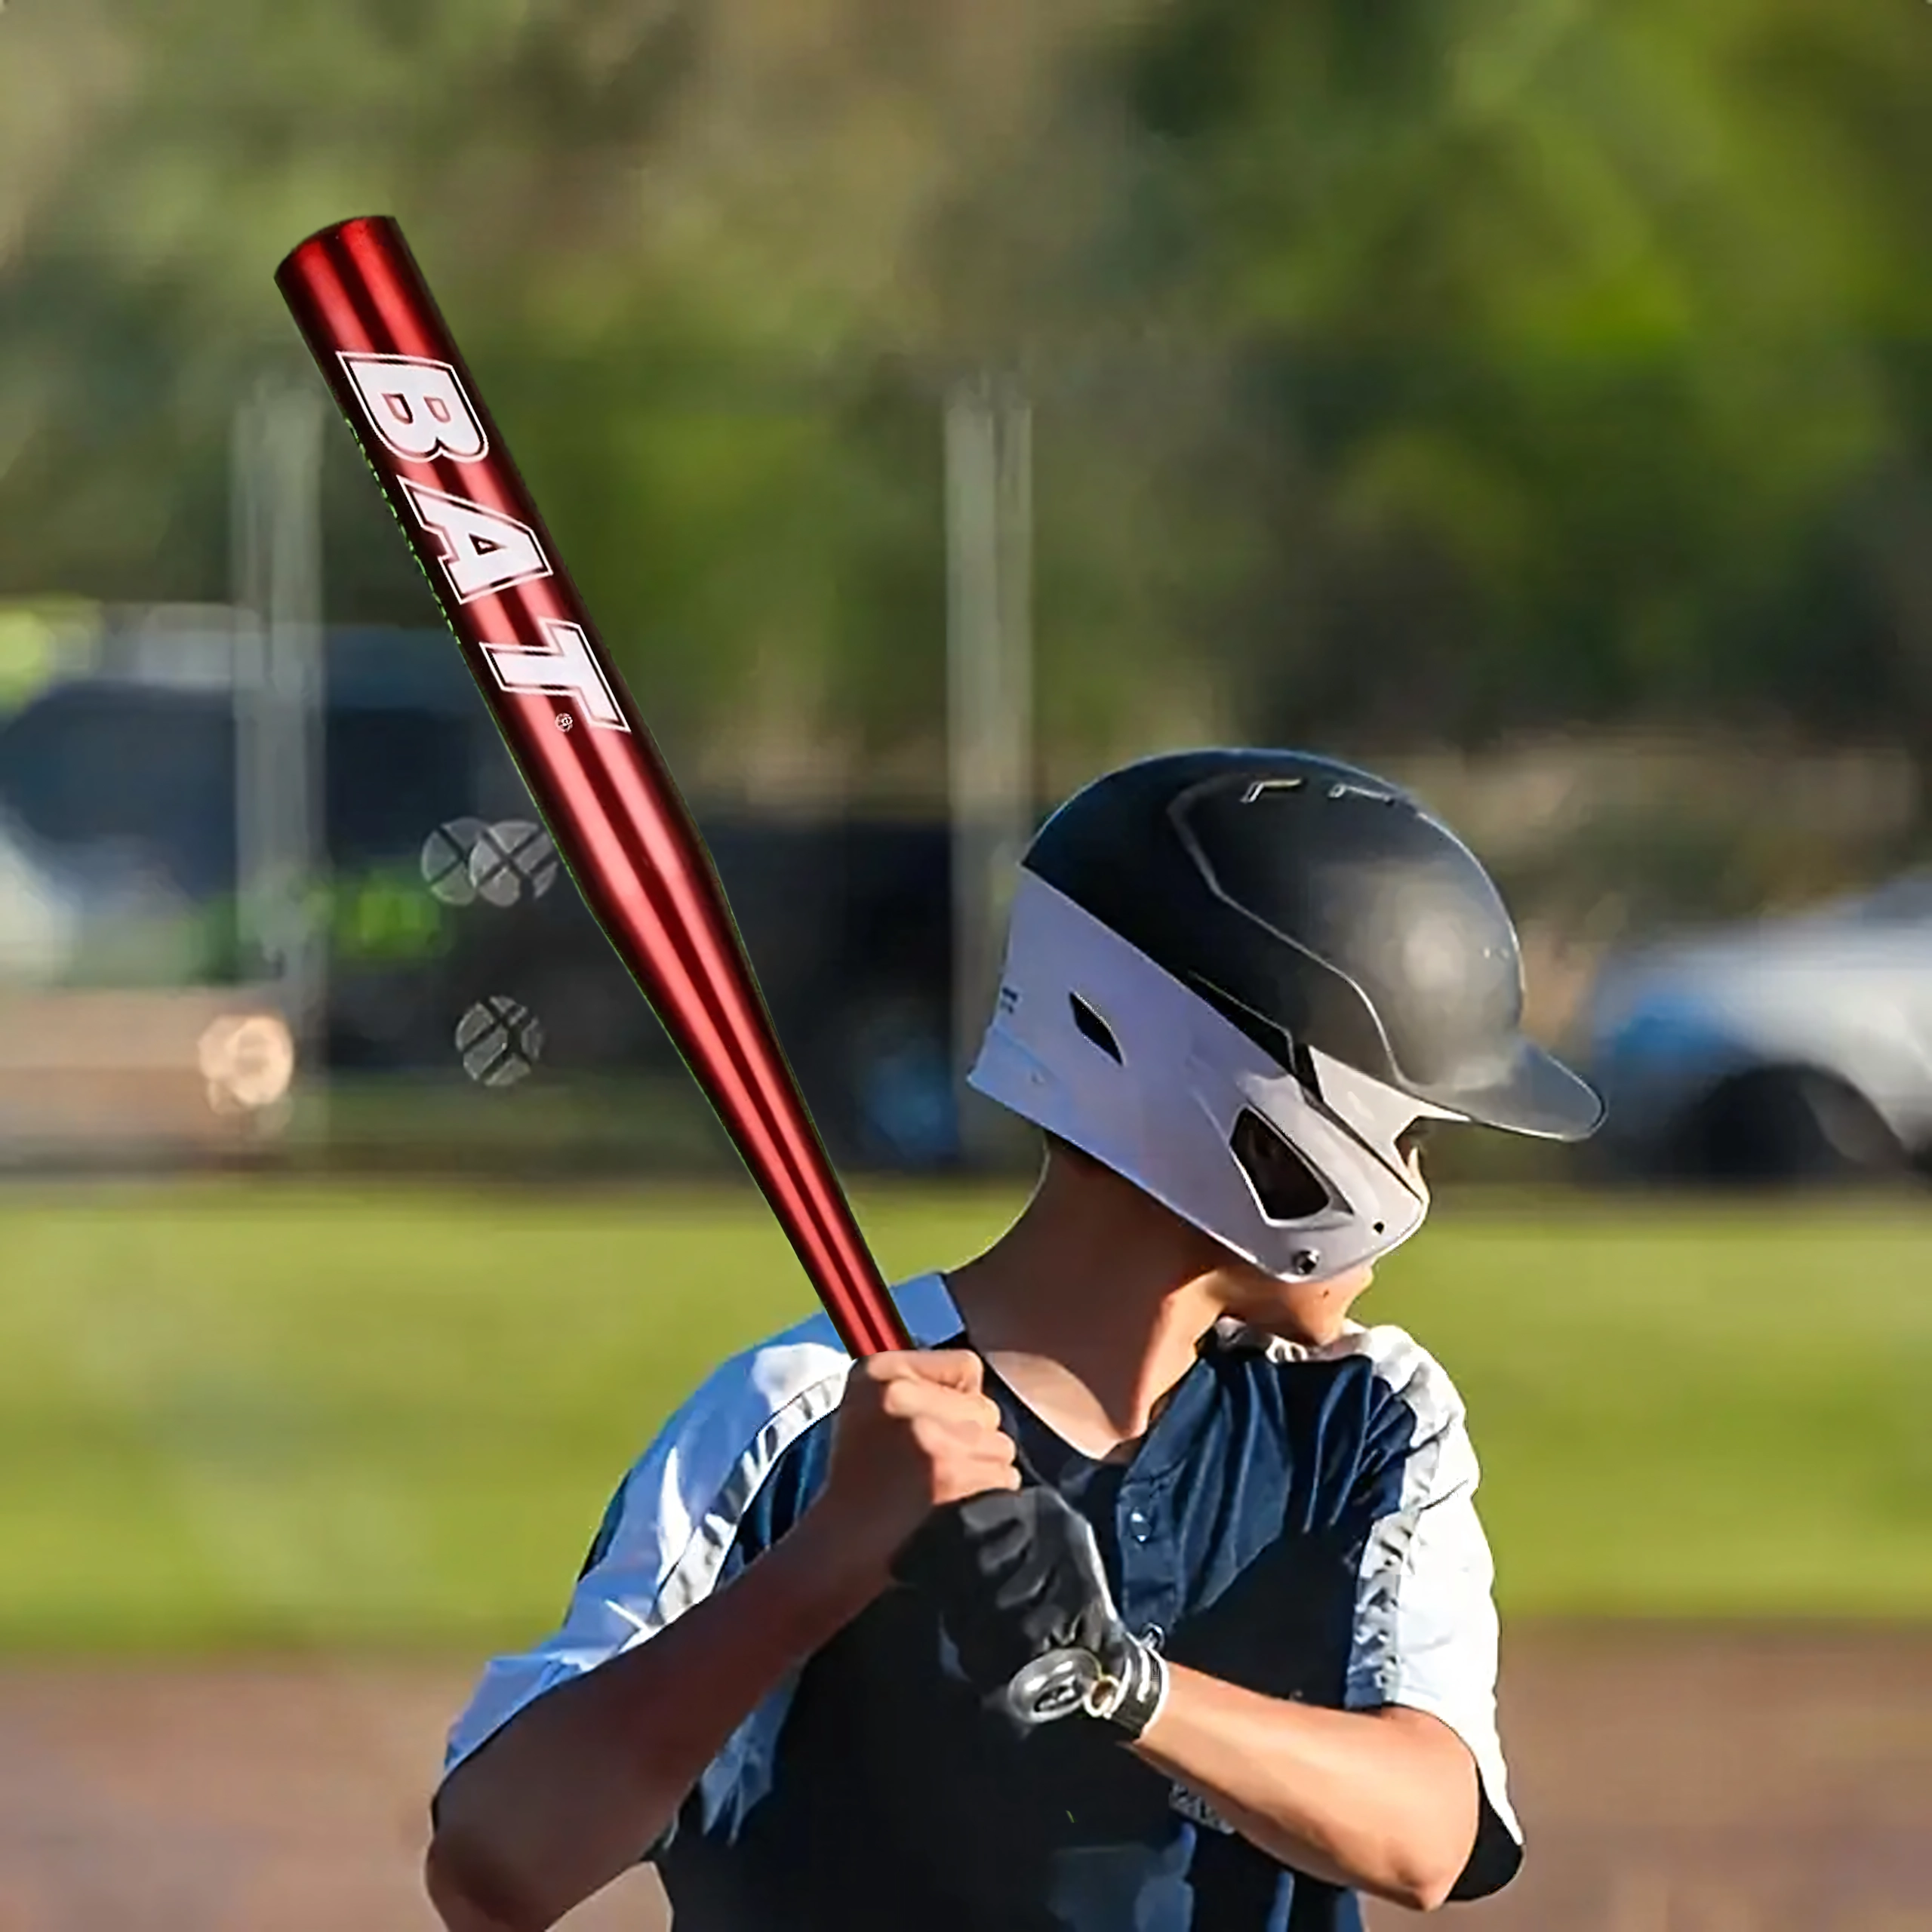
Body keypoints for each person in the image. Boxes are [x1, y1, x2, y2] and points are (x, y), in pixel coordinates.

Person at [423, 747, 1604, 1932]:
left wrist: (1120, 1680)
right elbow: (495, 1870)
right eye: (1412, 1133)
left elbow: (1427, 1834)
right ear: (1263, 1119)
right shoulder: (811, 1413)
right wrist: (828, 1560)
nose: (1421, 1181)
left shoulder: (1365, 1414)